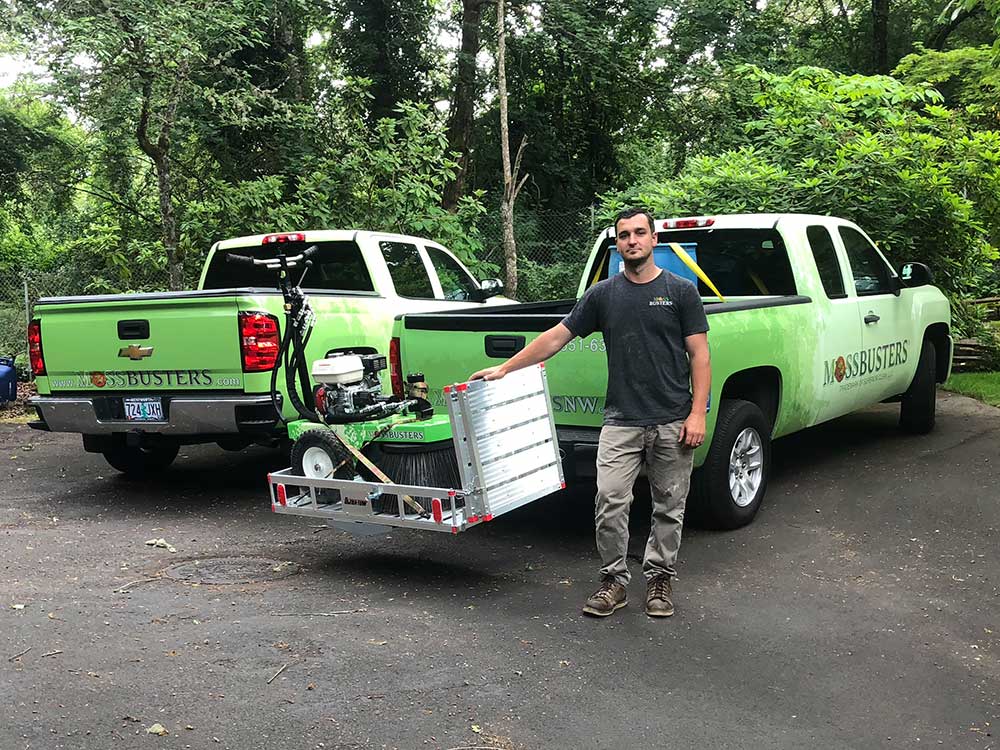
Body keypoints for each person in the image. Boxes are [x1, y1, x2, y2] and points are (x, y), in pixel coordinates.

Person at [470, 207, 711, 618]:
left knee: (669, 505)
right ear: (617, 244)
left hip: (672, 418)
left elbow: (699, 354)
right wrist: (507, 367)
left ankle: (659, 578)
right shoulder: (603, 294)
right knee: (610, 500)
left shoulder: (681, 290)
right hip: (621, 421)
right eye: (624, 235)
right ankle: (614, 581)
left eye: (639, 233)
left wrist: (698, 413)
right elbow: (556, 337)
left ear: (654, 240)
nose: (632, 241)